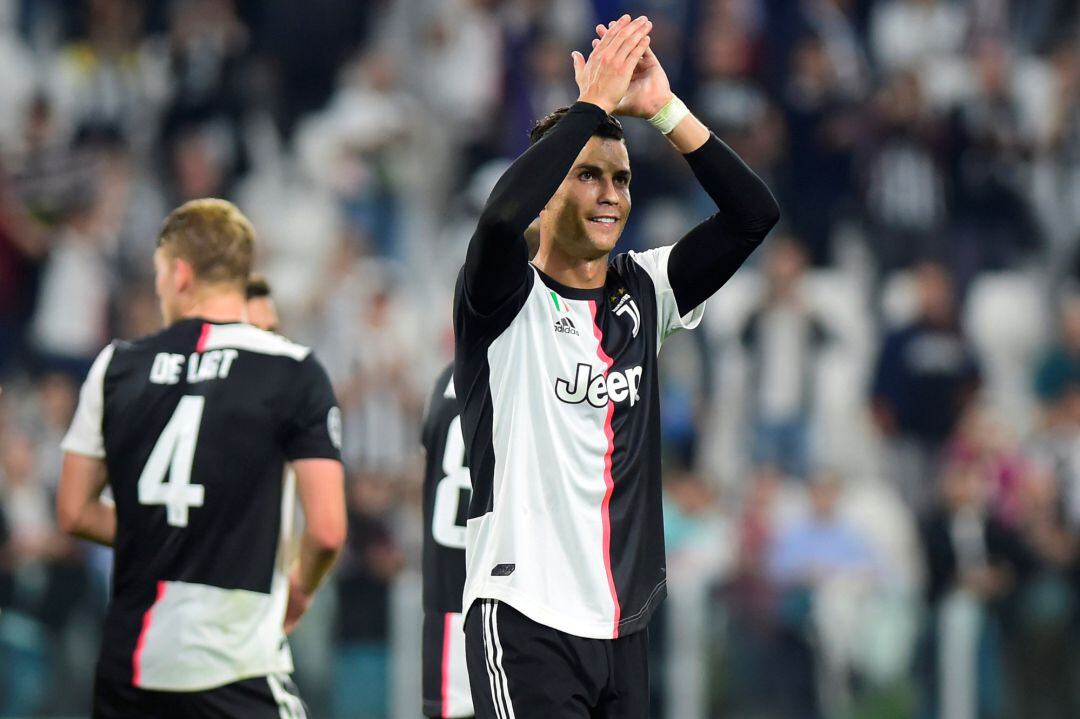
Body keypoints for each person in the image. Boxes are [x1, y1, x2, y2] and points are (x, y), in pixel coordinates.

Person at [453, 15, 779, 717]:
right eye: (589, 175)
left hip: (621, 629)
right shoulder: (502, 297)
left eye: (621, 179)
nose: (611, 194)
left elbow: (753, 214)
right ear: (547, 192)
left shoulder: (643, 290)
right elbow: (500, 220)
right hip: (522, 614)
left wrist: (664, 110)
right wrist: (593, 105)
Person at [55, 198, 347, 718]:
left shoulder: (116, 367)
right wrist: (299, 589)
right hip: (233, 664)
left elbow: (74, 510)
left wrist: (166, 530)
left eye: (159, 275)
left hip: (133, 668)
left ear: (180, 273)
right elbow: (326, 530)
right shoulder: (293, 371)